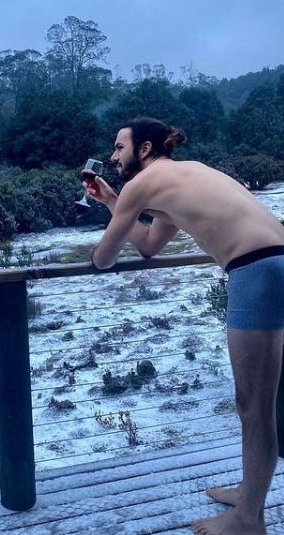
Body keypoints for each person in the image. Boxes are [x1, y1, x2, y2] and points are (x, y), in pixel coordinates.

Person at [86, 116, 284, 535]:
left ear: (144, 149)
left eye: (119, 147)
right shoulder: (180, 177)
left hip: (257, 270)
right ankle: (251, 491)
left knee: (254, 406)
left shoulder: (144, 184)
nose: (112, 156)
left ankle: (249, 520)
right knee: (260, 402)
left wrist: (115, 214)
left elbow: (104, 258)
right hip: (275, 260)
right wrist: (112, 201)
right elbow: (149, 246)